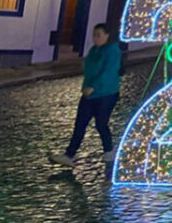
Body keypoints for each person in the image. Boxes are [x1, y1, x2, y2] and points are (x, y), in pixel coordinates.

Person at [49, 23, 121, 168]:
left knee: (101, 124)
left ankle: (109, 150)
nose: (95, 38)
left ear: (107, 36)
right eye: (94, 35)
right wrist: (86, 86)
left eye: (98, 35)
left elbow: (108, 72)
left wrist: (94, 87)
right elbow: (89, 70)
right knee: (80, 124)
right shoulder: (94, 50)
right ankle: (69, 154)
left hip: (106, 94)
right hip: (89, 94)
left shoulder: (113, 51)